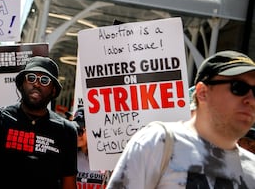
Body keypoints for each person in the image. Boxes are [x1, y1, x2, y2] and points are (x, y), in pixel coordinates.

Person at [106, 50, 255, 188]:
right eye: (239, 87)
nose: (251, 100)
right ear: (203, 92)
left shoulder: (252, 169)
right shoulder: (158, 143)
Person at [0, 56, 78, 189]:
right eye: (31, 78)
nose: (36, 84)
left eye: (44, 80)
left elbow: (68, 184)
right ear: (22, 84)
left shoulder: (66, 131)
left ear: (54, 91)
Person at [73, 107, 109, 188]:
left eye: (80, 131)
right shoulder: (69, 157)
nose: (77, 136)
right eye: (74, 130)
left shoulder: (108, 159)